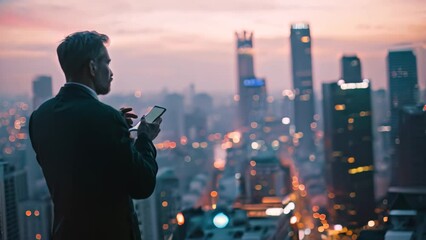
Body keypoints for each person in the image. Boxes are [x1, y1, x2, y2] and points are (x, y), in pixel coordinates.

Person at [29, 31, 161, 240]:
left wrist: (114, 129)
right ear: (92, 67)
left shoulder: (40, 117)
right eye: (106, 63)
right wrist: (144, 139)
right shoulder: (105, 118)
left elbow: (77, 162)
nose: (111, 72)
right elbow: (142, 185)